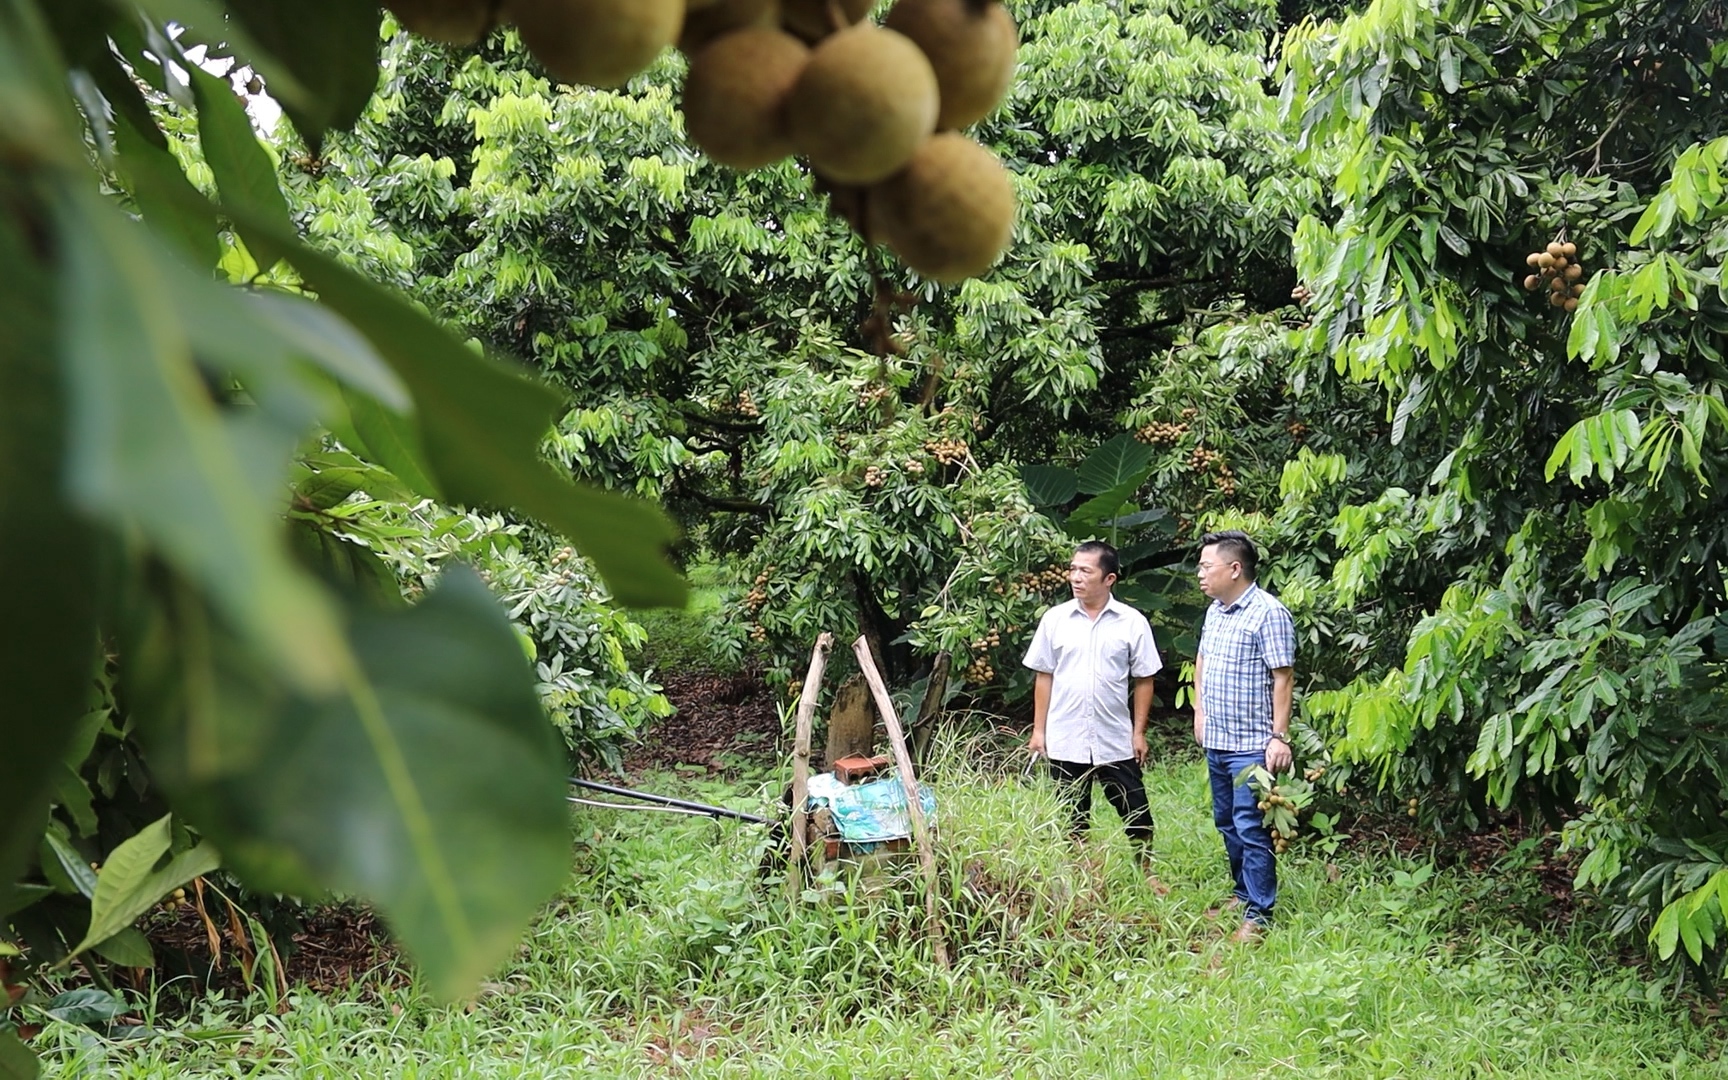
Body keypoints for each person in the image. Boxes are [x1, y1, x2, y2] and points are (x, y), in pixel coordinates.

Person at [1023, 540, 1165, 886]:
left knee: (1136, 809)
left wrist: (1138, 732)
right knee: (1072, 812)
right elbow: (1044, 675)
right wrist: (1039, 730)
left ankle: (1145, 871)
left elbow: (1144, 679)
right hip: (1065, 735)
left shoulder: (1131, 622)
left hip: (1113, 736)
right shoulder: (1055, 619)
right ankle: (1082, 875)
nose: (1075, 577)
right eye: (1073, 569)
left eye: (1086, 570)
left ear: (1109, 578)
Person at [1192, 529, 1295, 943]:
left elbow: (1282, 677)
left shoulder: (1269, 613)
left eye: (1206, 566)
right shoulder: (1215, 610)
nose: (1200, 573)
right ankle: (1242, 892)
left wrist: (1279, 737)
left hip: (1252, 744)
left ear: (1234, 569)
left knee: (1250, 827)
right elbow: (1201, 658)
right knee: (1226, 822)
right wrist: (1199, 711)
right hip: (1217, 739)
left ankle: (1259, 914)